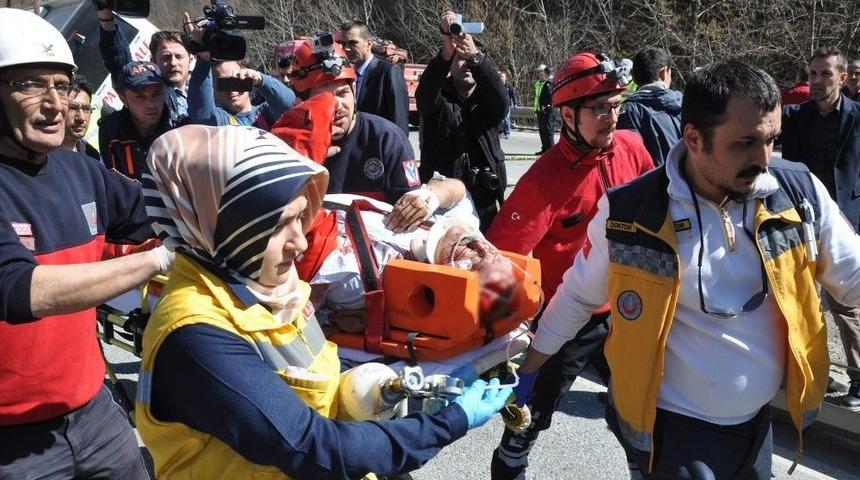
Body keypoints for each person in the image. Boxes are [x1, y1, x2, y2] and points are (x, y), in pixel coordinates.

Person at [513, 59, 860, 479]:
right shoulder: (631, 212)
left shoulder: (798, 194)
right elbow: (577, 297)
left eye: (772, 140)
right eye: (745, 143)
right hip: (674, 435)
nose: (763, 159)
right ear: (694, 138)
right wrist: (528, 372)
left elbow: (853, 280)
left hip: (758, 429)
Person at [137, 123, 511, 479]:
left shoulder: (273, 288)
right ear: (223, 225)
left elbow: (312, 385)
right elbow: (311, 446)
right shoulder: (194, 334)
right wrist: (448, 422)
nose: (300, 243)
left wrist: (381, 392)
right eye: (279, 225)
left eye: (302, 219)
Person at [0, 8, 172, 479]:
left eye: (62, 85)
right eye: (31, 85)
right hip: (12, 443)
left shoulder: (81, 169)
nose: (56, 104)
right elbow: (20, 289)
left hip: (94, 413)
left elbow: (156, 216)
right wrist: (158, 260)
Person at [484, 52, 654, 480]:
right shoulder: (544, 179)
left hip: (627, 309)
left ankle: (644, 468)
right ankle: (510, 465)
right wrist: (509, 328)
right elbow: (502, 259)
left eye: (616, 105)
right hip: (565, 316)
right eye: (599, 108)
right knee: (528, 416)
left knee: (641, 413)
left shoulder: (632, 148)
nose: (611, 117)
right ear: (567, 115)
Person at [781, 47, 860, 410]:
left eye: (825, 74)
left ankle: (858, 380)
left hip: (844, 225)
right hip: (800, 223)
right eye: (812, 74)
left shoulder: (857, 117)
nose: (816, 81)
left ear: (842, 78)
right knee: (800, 301)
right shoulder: (794, 117)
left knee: (848, 306)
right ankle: (810, 371)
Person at [286, 36, 420, 205]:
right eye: (323, 98)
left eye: (343, 93)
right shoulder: (290, 147)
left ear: (354, 90)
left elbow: (409, 208)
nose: (337, 105)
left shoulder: (388, 140)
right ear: (301, 103)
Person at [416, 11, 509, 231]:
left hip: (484, 196)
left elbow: (501, 103)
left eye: (470, 60)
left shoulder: (487, 99)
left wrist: (476, 57)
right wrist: (446, 51)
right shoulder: (438, 96)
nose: (466, 64)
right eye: (459, 58)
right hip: (443, 199)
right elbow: (425, 94)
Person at [95, 5, 187, 118]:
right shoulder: (157, 96)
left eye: (179, 56)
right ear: (153, 61)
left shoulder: (201, 86)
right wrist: (106, 18)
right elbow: (120, 62)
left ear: (190, 58)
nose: (173, 63)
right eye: (166, 57)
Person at [339, 20, 410, 135]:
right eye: (343, 43)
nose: (346, 48)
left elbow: (399, 120)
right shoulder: (347, 76)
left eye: (352, 43)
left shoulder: (388, 72)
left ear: (369, 44)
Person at [617, 47, 682, 166]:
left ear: (633, 76)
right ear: (663, 72)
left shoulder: (628, 111)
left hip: (653, 177)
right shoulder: (684, 103)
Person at [60, 74, 99, 159]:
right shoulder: (40, 153)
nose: (81, 118)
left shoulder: (92, 155)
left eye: (86, 109)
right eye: (72, 108)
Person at [534, 64, 554, 154]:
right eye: (538, 72)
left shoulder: (549, 82)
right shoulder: (538, 83)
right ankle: (544, 149)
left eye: (541, 71)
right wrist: (536, 109)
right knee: (542, 131)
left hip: (548, 110)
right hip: (540, 110)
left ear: (545, 72)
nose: (540, 73)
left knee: (548, 131)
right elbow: (537, 97)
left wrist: (546, 106)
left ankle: (551, 151)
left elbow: (550, 96)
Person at [499, 70, 516, 139]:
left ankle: (507, 133)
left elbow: (513, 95)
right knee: (501, 119)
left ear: (506, 78)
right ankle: (502, 132)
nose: (501, 78)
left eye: (502, 77)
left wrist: (515, 103)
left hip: (507, 105)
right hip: (499, 104)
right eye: (500, 77)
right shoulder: (498, 85)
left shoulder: (509, 85)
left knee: (506, 119)